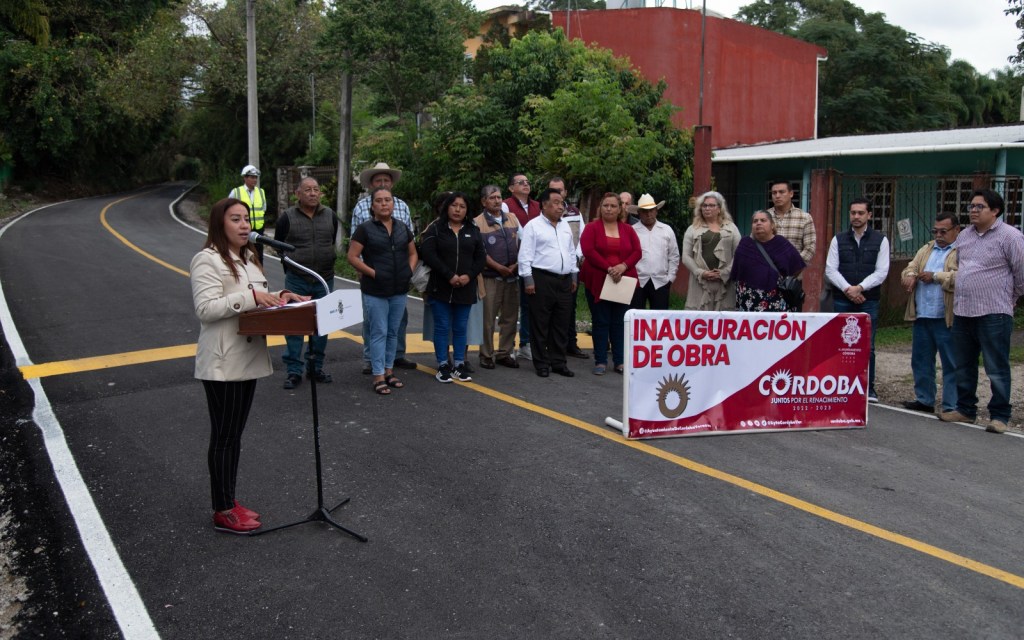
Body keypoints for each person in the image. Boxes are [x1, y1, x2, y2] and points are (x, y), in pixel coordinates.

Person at [191, 198, 308, 534]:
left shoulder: (250, 260)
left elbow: (257, 298)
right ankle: (223, 510)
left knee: (234, 435)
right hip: (223, 361)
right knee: (224, 436)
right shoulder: (207, 259)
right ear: (220, 224)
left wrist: (281, 296)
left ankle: (228, 500)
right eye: (236, 219)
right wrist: (252, 298)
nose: (245, 225)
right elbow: (206, 309)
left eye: (246, 219)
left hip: (248, 358)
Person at [939, 189, 1024, 433]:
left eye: (980, 206)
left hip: (994, 311)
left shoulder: (1010, 236)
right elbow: (962, 267)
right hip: (964, 310)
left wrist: (1010, 298)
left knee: (996, 366)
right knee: (963, 364)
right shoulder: (965, 235)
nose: (973, 211)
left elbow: (1021, 274)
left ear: (995, 211)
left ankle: (1000, 416)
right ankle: (965, 410)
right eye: (972, 206)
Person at [347, 187, 417, 395]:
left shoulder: (402, 227)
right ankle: (378, 375)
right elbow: (352, 257)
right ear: (372, 205)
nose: (384, 204)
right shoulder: (365, 229)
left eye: (388, 200)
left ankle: (389, 371)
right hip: (375, 289)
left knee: (393, 331)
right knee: (379, 332)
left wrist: (409, 271)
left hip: (399, 289)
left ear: (393, 204)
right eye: (379, 200)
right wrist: (373, 273)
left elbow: (413, 253)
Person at [825, 198, 890, 403]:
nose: (856, 216)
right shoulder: (838, 239)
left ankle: (867, 388)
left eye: (861, 213)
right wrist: (848, 290)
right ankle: (840, 386)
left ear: (869, 215)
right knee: (840, 344)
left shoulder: (880, 240)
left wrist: (860, 288)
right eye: (853, 212)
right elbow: (830, 269)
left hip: (868, 300)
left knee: (867, 346)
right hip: (842, 299)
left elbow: (882, 272)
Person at [275, 177, 337, 389]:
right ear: (297, 193)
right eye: (308, 189)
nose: (312, 193)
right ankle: (294, 371)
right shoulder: (287, 217)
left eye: (316, 189)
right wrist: (292, 270)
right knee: (294, 326)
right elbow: (280, 248)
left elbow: (332, 240)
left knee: (323, 325)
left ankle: (315, 367)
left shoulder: (330, 215)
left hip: (324, 280)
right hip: (297, 280)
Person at [419, 192, 487, 383]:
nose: (458, 210)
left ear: (467, 210)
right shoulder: (436, 228)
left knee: (460, 327)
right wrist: (449, 274)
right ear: (447, 207)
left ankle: (459, 364)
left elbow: (481, 257)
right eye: (454, 205)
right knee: (441, 327)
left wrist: (468, 276)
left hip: (466, 287)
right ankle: (442, 365)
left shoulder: (473, 230)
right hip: (440, 286)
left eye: (462, 206)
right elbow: (428, 253)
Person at [900, 212, 960, 414]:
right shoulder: (926, 249)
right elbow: (910, 267)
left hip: (947, 317)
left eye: (943, 231)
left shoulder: (961, 251)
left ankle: (952, 405)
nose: (939, 235)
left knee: (951, 362)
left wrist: (935, 276)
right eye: (935, 231)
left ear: (956, 230)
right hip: (923, 314)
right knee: (921, 360)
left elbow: (962, 277)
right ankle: (924, 399)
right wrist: (909, 275)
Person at [518, 188, 580, 377]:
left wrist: (574, 274)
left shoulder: (564, 226)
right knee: (540, 323)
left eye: (562, 203)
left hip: (564, 280)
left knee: (561, 323)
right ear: (544, 205)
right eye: (556, 202)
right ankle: (541, 363)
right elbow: (525, 254)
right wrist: (528, 279)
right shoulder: (533, 226)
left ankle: (558, 362)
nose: (560, 207)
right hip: (541, 278)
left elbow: (571, 252)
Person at [581, 193, 642, 375]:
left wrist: (623, 266)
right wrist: (609, 268)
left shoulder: (628, 230)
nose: (609, 209)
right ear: (600, 208)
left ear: (619, 209)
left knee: (619, 322)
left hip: (622, 281)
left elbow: (637, 252)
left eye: (613, 206)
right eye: (605, 205)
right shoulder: (591, 228)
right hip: (598, 281)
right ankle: (600, 360)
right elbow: (588, 251)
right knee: (601, 321)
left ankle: (619, 361)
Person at [475, 185, 521, 369]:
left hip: (512, 276)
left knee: (510, 318)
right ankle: (486, 354)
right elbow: (480, 252)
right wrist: (498, 267)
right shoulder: (477, 222)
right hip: (490, 277)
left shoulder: (512, 218)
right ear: (484, 201)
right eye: (492, 198)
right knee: (488, 319)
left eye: (499, 197)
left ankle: (505, 353)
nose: (497, 201)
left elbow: (523, 243)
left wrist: (515, 265)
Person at [731, 210, 805, 312]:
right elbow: (737, 272)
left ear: (772, 225)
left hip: (776, 301)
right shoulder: (745, 244)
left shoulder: (781, 243)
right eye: (755, 221)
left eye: (763, 220)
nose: (758, 223)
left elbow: (797, 267)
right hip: (748, 301)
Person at [549, 176, 588, 359]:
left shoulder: (574, 212)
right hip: (551, 269)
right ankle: (553, 345)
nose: (557, 193)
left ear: (565, 192)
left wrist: (577, 257)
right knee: (551, 308)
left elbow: (582, 237)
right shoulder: (544, 213)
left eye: (560, 190)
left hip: (571, 268)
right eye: (553, 190)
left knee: (570, 307)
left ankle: (571, 344)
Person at [681, 191, 739, 311]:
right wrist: (700, 272)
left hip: (725, 281)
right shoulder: (692, 229)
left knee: (724, 317)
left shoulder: (731, 228)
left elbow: (738, 254)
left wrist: (725, 272)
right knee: (699, 317)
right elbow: (686, 256)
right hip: (700, 282)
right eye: (704, 205)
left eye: (711, 205)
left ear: (719, 209)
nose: (707, 208)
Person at [505, 172, 540, 362]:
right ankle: (507, 346)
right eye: (521, 182)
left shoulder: (538, 206)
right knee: (510, 307)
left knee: (529, 305)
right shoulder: (506, 205)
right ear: (511, 188)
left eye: (527, 182)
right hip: (513, 263)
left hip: (535, 262)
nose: (526, 184)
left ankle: (526, 344)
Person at [632, 193, 682, 310]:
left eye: (651, 210)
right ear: (639, 213)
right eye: (644, 211)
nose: (648, 214)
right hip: (637, 281)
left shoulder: (666, 230)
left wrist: (670, 278)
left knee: (660, 317)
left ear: (656, 211)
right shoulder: (632, 230)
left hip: (661, 281)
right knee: (636, 315)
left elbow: (674, 255)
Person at [763, 179, 815, 266]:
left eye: (781, 192)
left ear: (791, 194)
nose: (777, 196)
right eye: (774, 193)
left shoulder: (804, 217)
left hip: (794, 271)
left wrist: (794, 265)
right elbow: (754, 244)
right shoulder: (763, 217)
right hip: (766, 270)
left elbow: (810, 247)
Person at [228, 165, 268, 261]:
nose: (255, 180)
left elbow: (264, 208)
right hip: (243, 228)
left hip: (258, 229)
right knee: (243, 253)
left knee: (258, 256)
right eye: (252, 177)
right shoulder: (236, 192)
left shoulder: (261, 192)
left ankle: (258, 270)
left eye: (256, 177)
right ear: (245, 178)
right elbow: (228, 210)